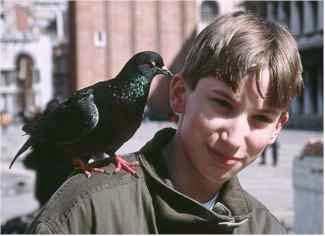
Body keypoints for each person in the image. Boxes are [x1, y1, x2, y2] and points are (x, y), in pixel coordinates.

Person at [26, 11, 303, 234]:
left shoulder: (267, 230)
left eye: (261, 118)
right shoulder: (81, 215)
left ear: (278, 127)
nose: (234, 137)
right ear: (179, 94)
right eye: (222, 104)